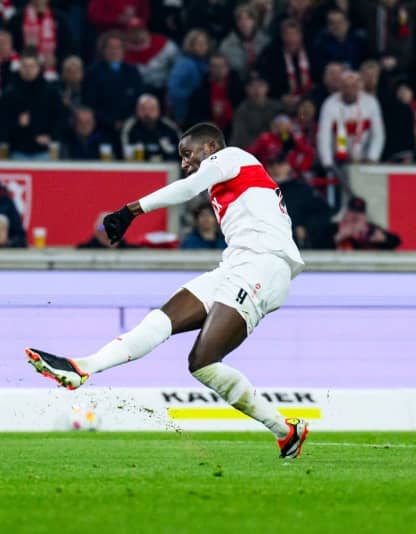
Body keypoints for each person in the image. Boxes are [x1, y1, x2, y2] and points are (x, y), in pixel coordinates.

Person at [26, 122, 310, 459]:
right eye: (181, 157)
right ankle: (83, 367)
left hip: (265, 265)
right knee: (161, 321)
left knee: (202, 362)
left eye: (188, 154)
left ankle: (286, 429)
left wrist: (131, 210)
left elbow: (188, 187)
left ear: (211, 147)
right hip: (237, 264)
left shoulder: (232, 156)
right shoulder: (227, 179)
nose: (185, 162)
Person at [82, 33, 143, 154]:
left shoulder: (132, 72)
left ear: (123, 50)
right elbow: (90, 103)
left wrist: (126, 121)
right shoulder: (93, 73)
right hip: (101, 128)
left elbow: (138, 99)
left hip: (130, 127)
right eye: (110, 48)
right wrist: (111, 123)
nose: (114, 51)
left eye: (118, 48)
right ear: (103, 51)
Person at [0, 50, 63, 160]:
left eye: (32, 66)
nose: (28, 70)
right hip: (17, 150)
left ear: (39, 68)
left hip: (43, 150)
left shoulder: (50, 91)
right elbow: (1, 122)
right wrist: (17, 122)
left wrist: (50, 136)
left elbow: (59, 118)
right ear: (19, 68)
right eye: (25, 66)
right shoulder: (10, 92)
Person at [317, 71, 385, 169]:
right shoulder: (329, 104)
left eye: (353, 86)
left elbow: (378, 134)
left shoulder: (370, 102)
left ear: (358, 87)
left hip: (363, 158)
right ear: (340, 87)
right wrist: (327, 163)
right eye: (346, 86)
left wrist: (372, 157)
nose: (349, 90)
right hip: (337, 159)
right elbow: (323, 136)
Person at [186, 53, 244, 136]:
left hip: (234, 131)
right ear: (209, 68)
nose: (218, 70)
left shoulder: (238, 88)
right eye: (215, 66)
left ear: (228, 68)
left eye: (222, 66)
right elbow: (193, 117)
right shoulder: (200, 91)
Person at [167, 29, 210, 125]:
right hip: (186, 113)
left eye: (205, 43)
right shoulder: (184, 64)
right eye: (199, 43)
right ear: (190, 45)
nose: (203, 46)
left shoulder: (205, 63)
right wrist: (191, 95)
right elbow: (173, 89)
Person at [120, 94, 180, 162]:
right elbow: (124, 151)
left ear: (158, 110)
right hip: (138, 168)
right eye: (143, 109)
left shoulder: (169, 127)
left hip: (169, 168)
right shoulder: (130, 126)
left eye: (151, 109)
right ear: (136, 110)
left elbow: (183, 150)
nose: (147, 113)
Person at [219, 4, 270, 82]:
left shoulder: (266, 42)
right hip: (237, 84)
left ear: (254, 21)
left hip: (262, 83)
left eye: (248, 18)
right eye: (240, 19)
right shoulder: (226, 45)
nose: (244, 22)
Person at [230, 76, 284, 148]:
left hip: (276, 148)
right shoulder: (241, 111)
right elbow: (240, 138)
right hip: (251, 150)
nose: (257, 90)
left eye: (260, 86)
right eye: (253, 86)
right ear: (247, 89)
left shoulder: (277, 107)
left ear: (267, 87)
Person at [333, 196, 401, 250]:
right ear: (346, 213)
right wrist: (339, 236)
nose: (356, 215)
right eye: (353, 211)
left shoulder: (370, 228)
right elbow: (323, 245)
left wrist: (383, 238)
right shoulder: (335, 228)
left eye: (359, 212)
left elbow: (396, 241)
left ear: (364, 216)